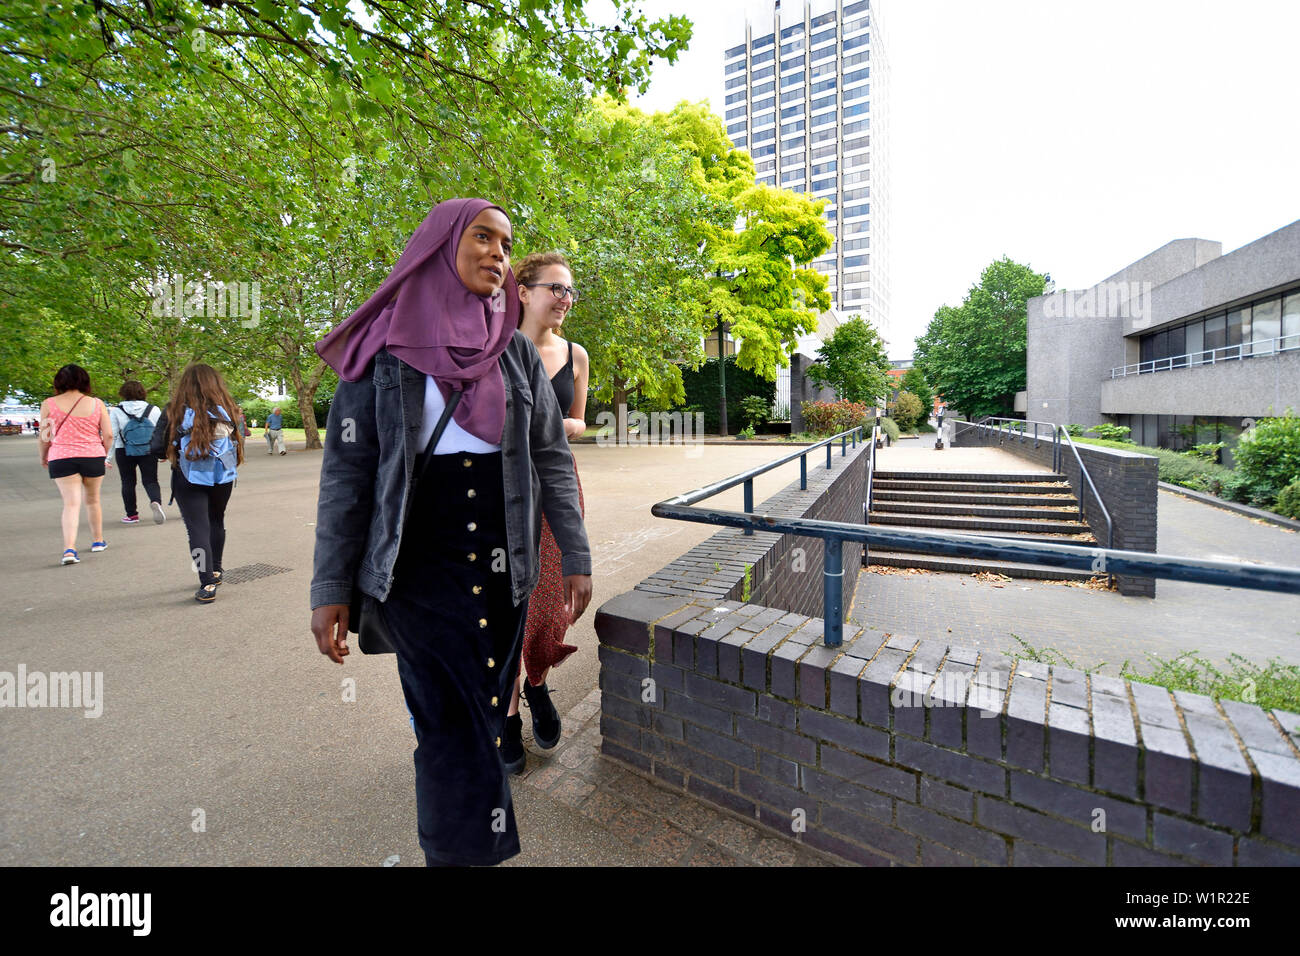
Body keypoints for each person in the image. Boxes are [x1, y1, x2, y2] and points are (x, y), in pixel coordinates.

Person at [310, 198, 592, 868]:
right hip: (416, 571)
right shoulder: (381, 352)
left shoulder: (516, 354)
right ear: (439, 244)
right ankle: (462, 855)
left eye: (506, 243)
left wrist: (574, 551)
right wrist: (330, 586)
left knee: (481, 717)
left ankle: (466, 846)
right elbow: (346, 475)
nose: (498, 253)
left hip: (504, 567)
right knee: (449, 723)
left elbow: (550, 456)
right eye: (483, 238)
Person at [503, 251, 590, 772]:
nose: (565, 299)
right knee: (507, 595)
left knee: (549, 597)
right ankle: (508, 711)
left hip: (556, 483)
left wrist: (550, 425)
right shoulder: (494, 349)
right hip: (505, 487)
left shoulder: (576, 354)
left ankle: (538, 681)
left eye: (569, 291)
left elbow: (578, 423)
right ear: (523, 291)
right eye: (555, 288)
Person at [151, 364, 244, 603]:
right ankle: (217, 569)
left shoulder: (174, 410)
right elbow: (239, 436)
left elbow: (157, 448)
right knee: (216, 521)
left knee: (196, 528)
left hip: (187, 474)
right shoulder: (229, 408)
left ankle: (207, 582)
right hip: (222, 474)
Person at [38, 364, 113, 565]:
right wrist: (103, 454)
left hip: (61, 456)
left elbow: (45, 436)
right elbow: (108, 435)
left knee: (71, 504)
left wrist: (43, 456)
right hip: (93, 455)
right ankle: (98, 541)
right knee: (93, 500)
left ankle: (69, 549)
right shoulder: (97, 404)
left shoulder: (48, 404)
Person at [109, 380, 165, 525]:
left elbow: (112, 435)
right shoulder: (154, 409)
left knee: (128, 482)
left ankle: (132, 515)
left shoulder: (116, 411)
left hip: (124, 450)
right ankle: (155, 501)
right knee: (151, 480)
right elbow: (160, 432)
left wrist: (107, 457)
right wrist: (163, 451)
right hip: (149, 449)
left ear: (123, 393)